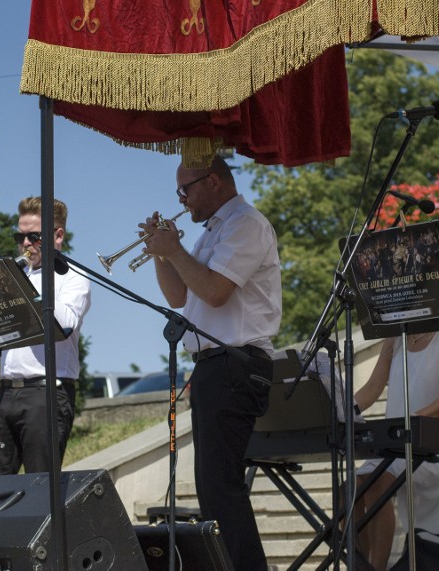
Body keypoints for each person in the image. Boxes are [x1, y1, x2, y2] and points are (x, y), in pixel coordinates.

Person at [140, 156, 281, 571]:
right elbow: (178, 297)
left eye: (186, 190)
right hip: (213, 366)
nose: (182, 201)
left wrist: (175, 248)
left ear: (214, 181)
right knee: (213, 489)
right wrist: (160, 255)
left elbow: (215, 291)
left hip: (234, 363)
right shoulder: (212, 233)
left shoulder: (245, 224)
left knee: (221, 489)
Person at [352, 329, 439, 571]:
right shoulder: (395, 338)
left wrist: (413, 422)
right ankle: (359, 566)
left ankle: (378, 567)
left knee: (378, 483)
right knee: (349, 490)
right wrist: (343, 411)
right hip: (398, 447)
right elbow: (373, 386)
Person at [0, 197, 91, 475]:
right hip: (5, 390)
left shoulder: (73, 276)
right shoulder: (16, 274)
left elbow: (64, 325)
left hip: (46, 391)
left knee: (40, 485)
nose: (25, 244)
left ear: (57, 235)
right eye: (20, 236)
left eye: (33, 236)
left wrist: (22, 285)